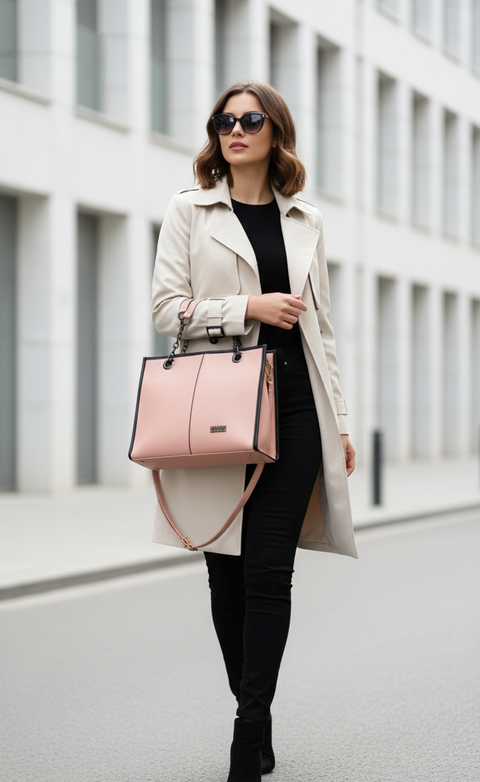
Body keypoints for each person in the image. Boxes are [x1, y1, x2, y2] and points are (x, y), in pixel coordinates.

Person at [151, 82, 358, 782]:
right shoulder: (189, 209)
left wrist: (344, 423)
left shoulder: (307, 219)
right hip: (218, 408)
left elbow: (321, 328)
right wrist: (248, 307)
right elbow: (165, 310)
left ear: (276, 133)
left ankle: (246, 731)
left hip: (296, 408)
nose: (235, 130)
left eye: (251, 119)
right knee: (227, 572)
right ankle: (258, 712)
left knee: (270, 570)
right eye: (224, 120)